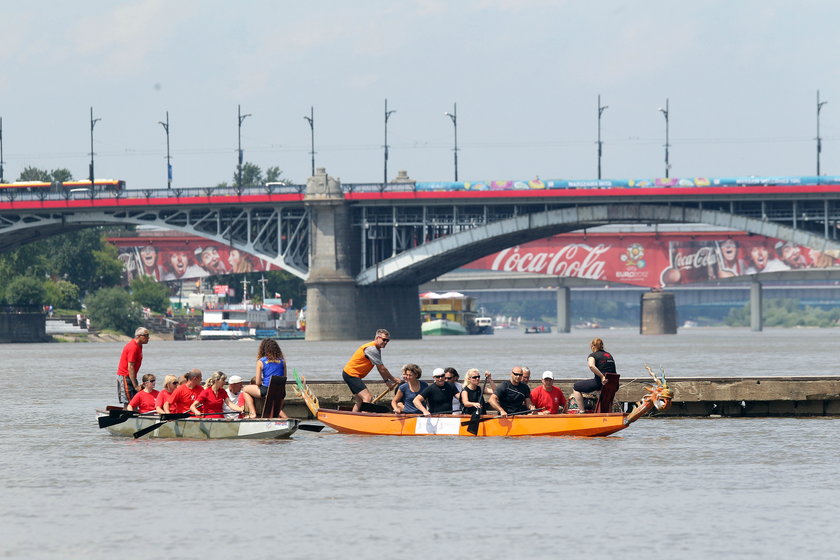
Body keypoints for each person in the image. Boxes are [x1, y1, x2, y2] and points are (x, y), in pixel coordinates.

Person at [342, 329, 400, 412]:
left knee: (360, 400)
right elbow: (382, 368)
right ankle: (364, 419)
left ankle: (354, 419)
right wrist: (393, 379)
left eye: (387, 340)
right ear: (377, 338)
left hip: (351, 374)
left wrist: (387, 381)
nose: (386, 342)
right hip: (351, 374)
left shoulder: (377, 349)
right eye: (384, 340)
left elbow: (379, 367)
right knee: (367, 397)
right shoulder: (372, 349)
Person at [242, 339, 288, 419]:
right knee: (276, 412)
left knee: (245, 389)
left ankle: (253, 413)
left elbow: (258, 382)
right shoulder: (282, 361)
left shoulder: (261, 361)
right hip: (281, 392)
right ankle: (276, 417)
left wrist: (263, 383)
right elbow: (284, 378)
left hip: (267, 390)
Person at [572, 338, 616, 413]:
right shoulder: (609, 355)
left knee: (576, 387)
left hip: (601, 383)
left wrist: (602, 377)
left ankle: (582, 411)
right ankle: (608, 412)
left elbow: (591, 366)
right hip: (613, 384)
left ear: (592, 346)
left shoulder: (593, 355)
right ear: (602, 346)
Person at [116, 327, 150, 406]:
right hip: (125, 376)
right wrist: (135, 386)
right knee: (129, 402)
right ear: (138, 336)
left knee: (135, 400)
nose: (148, 338)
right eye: (146, 335)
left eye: (148, 335)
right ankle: (127, 416)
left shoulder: (139, 345)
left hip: (131, 377)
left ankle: (135, 414)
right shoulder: (133, 347)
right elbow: (130, 367)